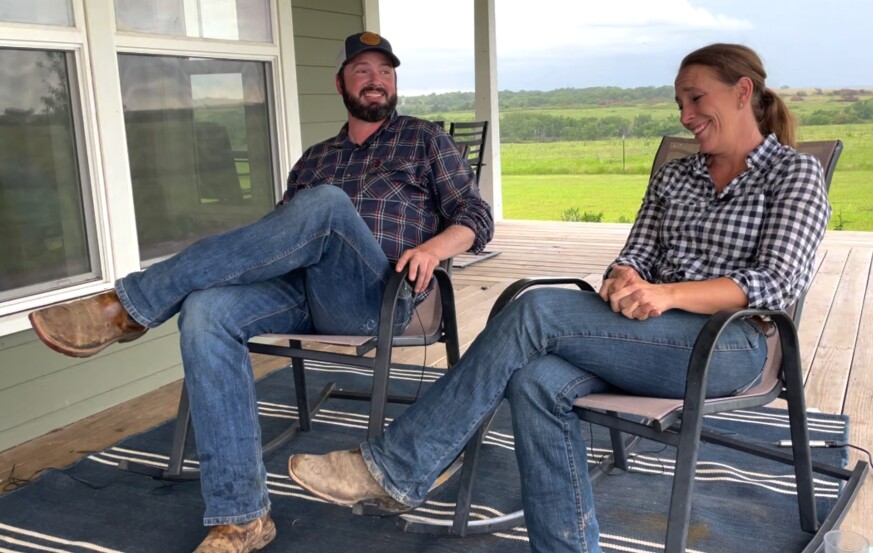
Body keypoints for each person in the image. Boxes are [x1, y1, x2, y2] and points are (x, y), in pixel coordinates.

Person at [287, 43, 831, 553]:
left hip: (730, 346)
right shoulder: (676, 175)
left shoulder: (793, 173)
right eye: (680, 103)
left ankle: (395, 467)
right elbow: (635, 252)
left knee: (536, 309)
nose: (685, 116)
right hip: (647, 334)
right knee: (534, 379)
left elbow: (777, 283)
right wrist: (624, 279)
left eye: (696, 99)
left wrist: (665, 295)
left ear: (742, 92)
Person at [28, 31, 493, 553]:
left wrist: (434, 248)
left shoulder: (425, 139)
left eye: (385, 71)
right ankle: (241, 517)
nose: (376, 80)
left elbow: (475, 216)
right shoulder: (316, 158)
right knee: (205, 310)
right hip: (304, 292)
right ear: (340, 82)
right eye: (362, 70)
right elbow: (277, 239)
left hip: (381, 297)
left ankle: (130, 305)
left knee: (326, 205)